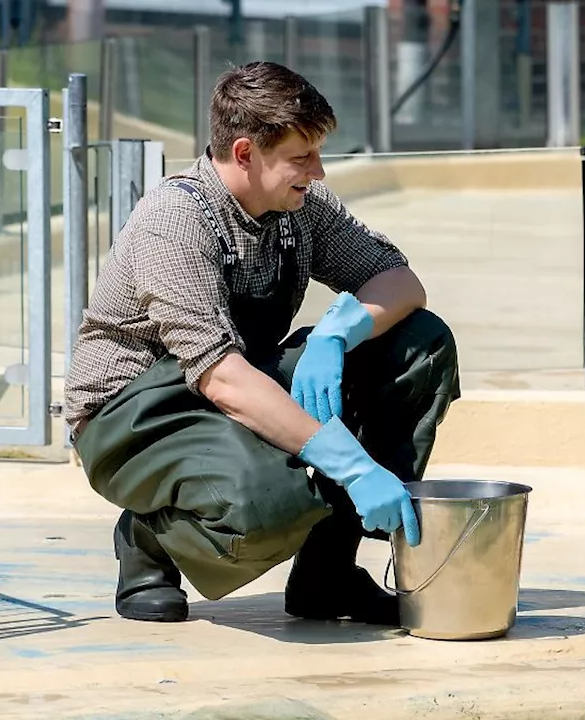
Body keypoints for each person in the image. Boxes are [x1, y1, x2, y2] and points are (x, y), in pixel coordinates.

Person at [64, 61, 461, 624]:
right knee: (268, 509)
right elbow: (218, 375)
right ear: (247, 152)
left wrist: (337, 331)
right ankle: (150, 537)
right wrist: (350, 464)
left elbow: (399, 282)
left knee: (418, 345)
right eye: (303, 158)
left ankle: (327, 577)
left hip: (232, 383)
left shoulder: (300, 208)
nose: (318, 172)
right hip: (133, 416)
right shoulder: (174, 221)